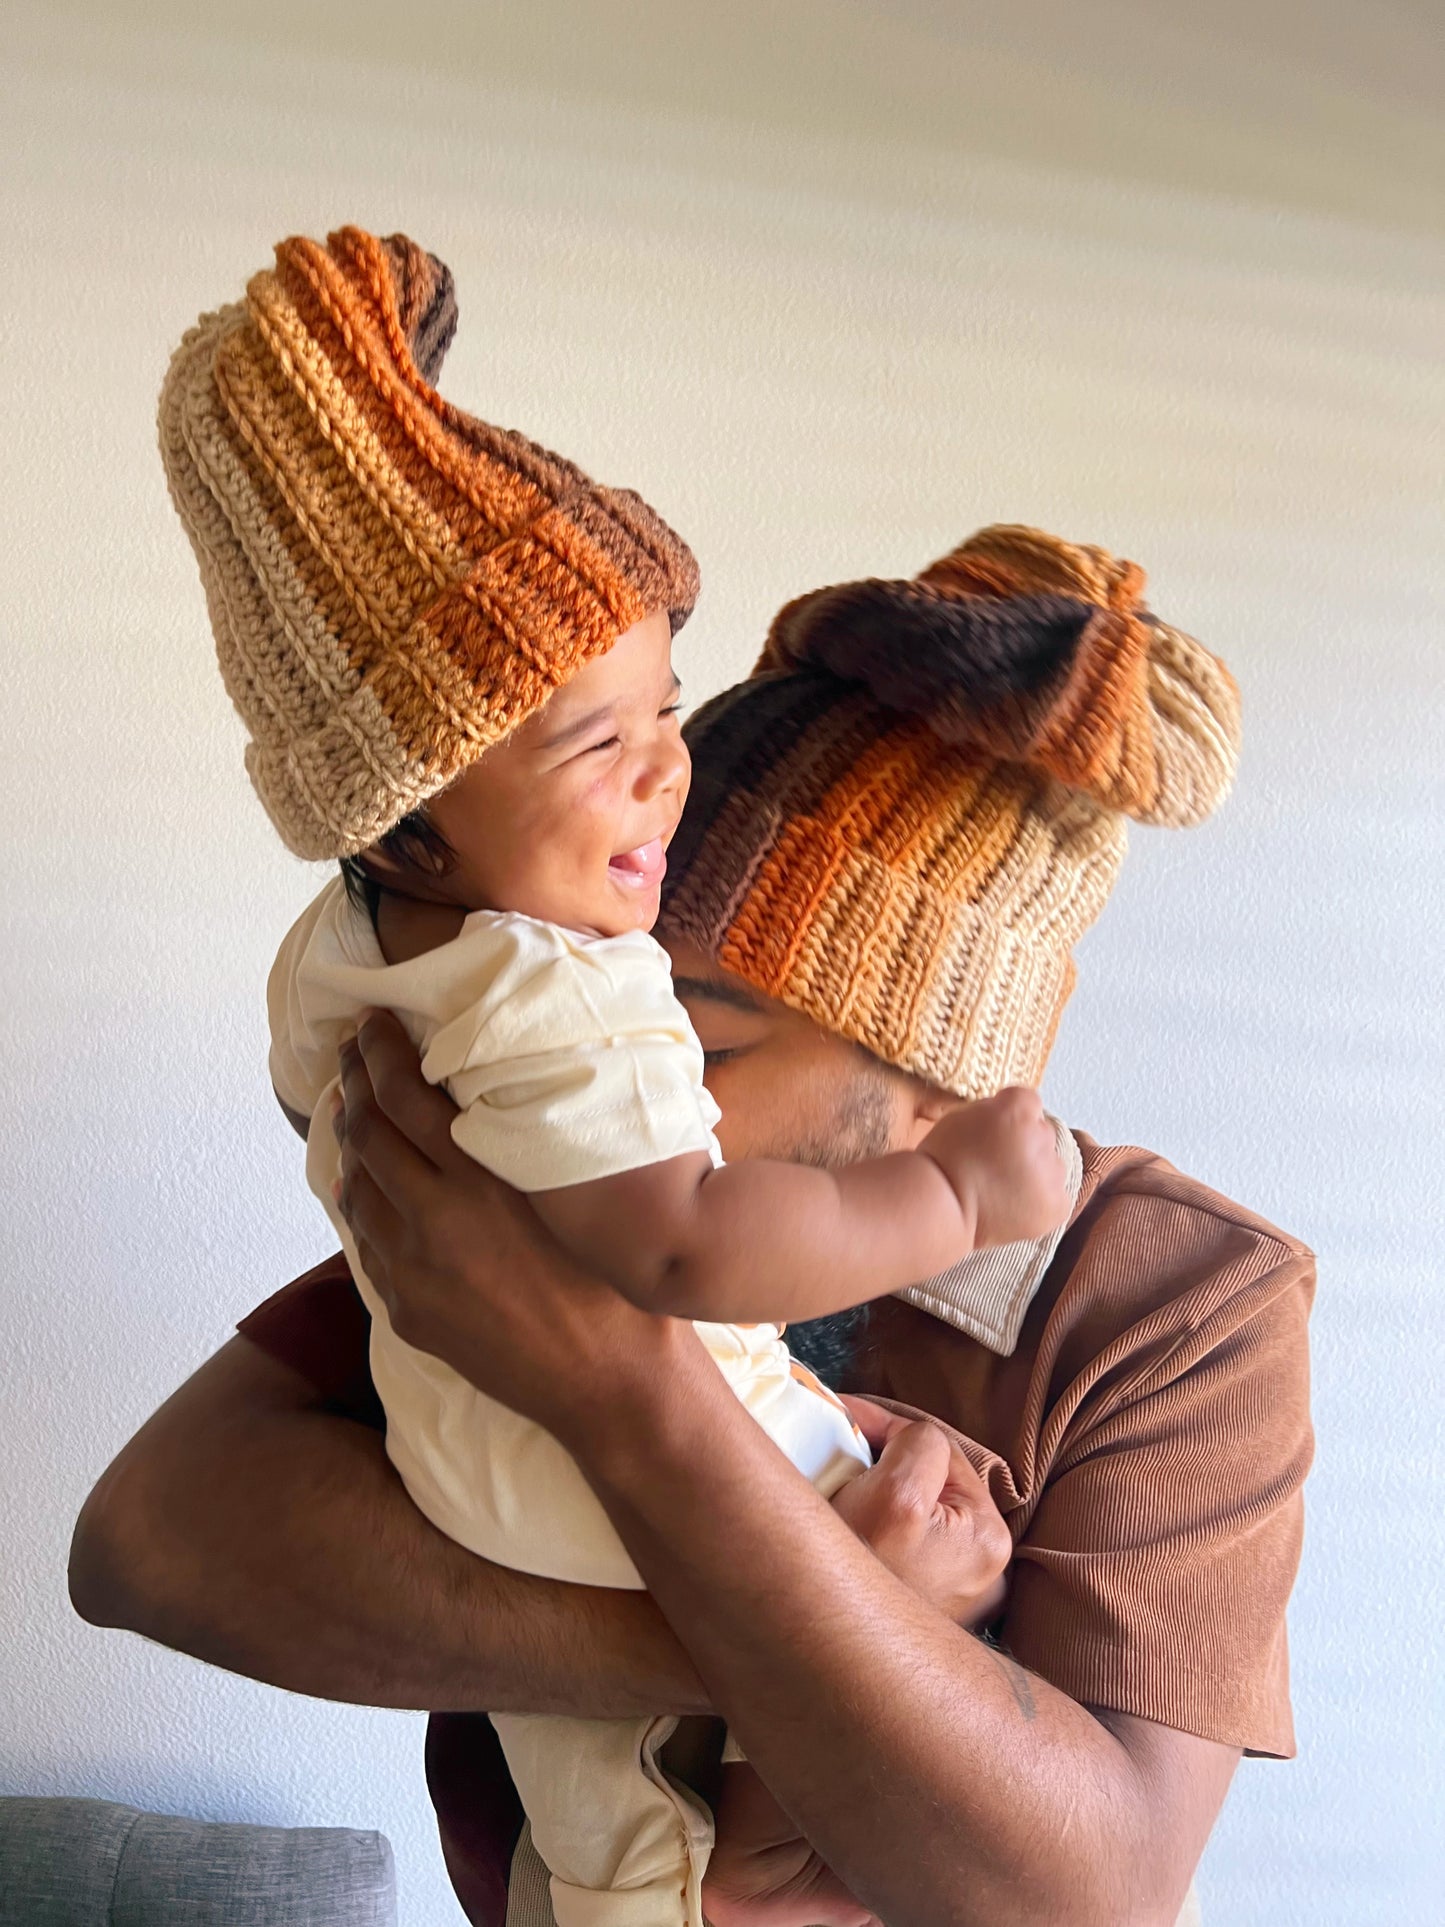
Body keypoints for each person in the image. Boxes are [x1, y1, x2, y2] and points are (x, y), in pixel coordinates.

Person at [71, 466, 1313, 1927]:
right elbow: (149, 1546)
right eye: (619, 1012)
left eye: (703, 1042)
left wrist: (622, 1399)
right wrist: (820, 1628)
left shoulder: (1178, 1305)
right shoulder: (543, 1150)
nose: (627, 1092)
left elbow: (1083, 1895)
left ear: (946, 1090)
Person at [153, 222, 1073, 1927]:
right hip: (570, 1501)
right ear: (411, 811)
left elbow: (1094, 1878)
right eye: (606, 742)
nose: (660, 775)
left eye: (670, 714)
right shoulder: (540, 996)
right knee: (862, 1598)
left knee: (619, 1787)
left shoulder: (369, 949)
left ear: (941, 1065)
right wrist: (945, 1206)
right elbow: (683, 1248)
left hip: (501, 1489)